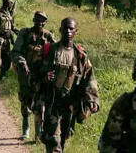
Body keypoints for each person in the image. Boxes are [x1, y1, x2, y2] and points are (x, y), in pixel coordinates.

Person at [40, 17, 100, 153]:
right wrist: (45, 78)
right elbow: (36, 73)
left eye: (71, 28)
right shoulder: (50, 50)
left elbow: (89, 79)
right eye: (65, 28)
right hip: (52, 104)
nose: (68, 31)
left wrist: (93, 100)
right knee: (53, 142)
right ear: (60, 30)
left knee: (63, 139)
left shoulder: (80, 56)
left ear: (76, 32)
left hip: (70, 105)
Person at [11, 11, 55, 140]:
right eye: (37, 19)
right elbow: (15, 52)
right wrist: (22, 62)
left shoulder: (48, 36)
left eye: (42, 20)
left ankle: (38, 132)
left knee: (40, 102)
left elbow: (55, 52)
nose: (39, 22)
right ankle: (25, 128)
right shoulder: (24, 33)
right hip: (25, 74)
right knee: (25, 99)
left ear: (45, 22)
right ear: (33, 19)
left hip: (40, 75)